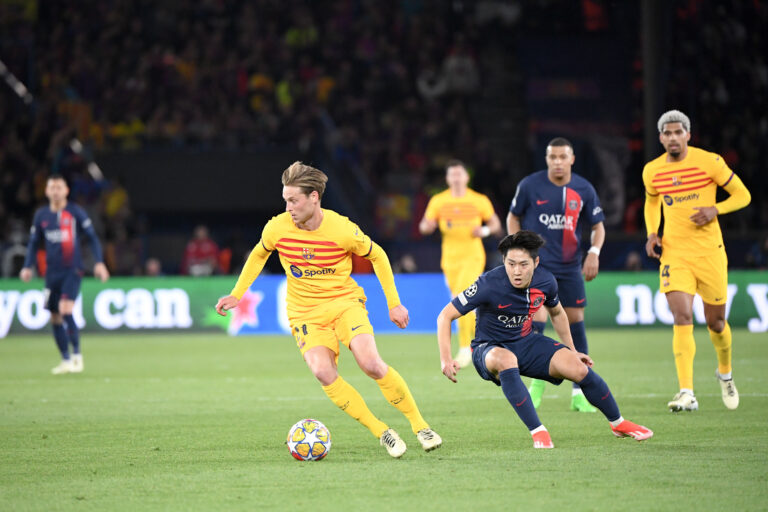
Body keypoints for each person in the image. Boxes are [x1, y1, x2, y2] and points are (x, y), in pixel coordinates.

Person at [215, 161, 442, 458]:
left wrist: (394, 302)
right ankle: (382, 432)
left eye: (293, 200)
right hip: (305, 313)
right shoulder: (277, 227)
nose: (288, 208)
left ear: (314, 198)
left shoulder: (342, 229)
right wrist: (237, 294)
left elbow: (379, 256)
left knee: (371, 363)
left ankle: (419, 425)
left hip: (344, 303)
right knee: (323, 372)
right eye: (285, 200)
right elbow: (259, 253)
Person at [436, 231, 652, 448]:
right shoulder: (488, 284)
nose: (516, 271)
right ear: (504, 261)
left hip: (526, 342)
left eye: (523, 264)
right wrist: (446, 359)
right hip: (489, 349)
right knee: (506, 359)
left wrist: (573, 349)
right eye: (511, 264)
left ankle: (618, 423)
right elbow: (445, 316)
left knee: (578, 369)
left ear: (536, 262)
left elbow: (557, 313)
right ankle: (538, 431)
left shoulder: (546, 281)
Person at [643, 110, 751, 412]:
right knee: (682, 318)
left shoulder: (709, 162)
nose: (673, 137)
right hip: (674, 254)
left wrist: (714, 210)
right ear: (661, 137)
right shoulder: (652, 170)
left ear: (688, 135)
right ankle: (686, 392)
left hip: (710, 252)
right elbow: (652, 201)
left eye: (679, 132)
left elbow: (743, 196)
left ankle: (725, 373)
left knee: (716, 323)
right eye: (668, 133)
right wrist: (653, 233)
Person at [506, 138, 605, 413]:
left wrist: (594, 252)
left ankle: (579, 392)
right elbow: (513, 216)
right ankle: (537, 383)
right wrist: (516, 245)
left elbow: (598, 226)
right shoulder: (530, 185)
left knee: (574, 321)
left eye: (563, 157)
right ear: (547, 159)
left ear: (572, 159)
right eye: (553, 157)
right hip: (538, 265)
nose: (558, 162)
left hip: (571, 266)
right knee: (536, 316)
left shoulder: (584, 188)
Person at [20, 174, 110, 374]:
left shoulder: (75, 212)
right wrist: (27, 266)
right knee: (54, 316)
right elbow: (34, 243)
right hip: (51, 273)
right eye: (52, 187)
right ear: (46, 191)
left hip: (73, 269)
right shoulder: (41, 215)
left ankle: (77, 356)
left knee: (66, 309)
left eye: (59, 187)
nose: (55, 191)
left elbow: (93, 238)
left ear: (66, 190)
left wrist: (99, 263)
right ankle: (66, 359)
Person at [419, 160, 502, 367]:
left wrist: (483, 231)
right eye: (452, 175)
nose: (456, 178)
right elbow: (424, 226)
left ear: (466, 177)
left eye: (459, 174)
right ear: (447, 179)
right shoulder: (438, 201)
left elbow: (495, 224)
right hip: (450, 259)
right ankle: (483, 341)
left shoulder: (479, 200)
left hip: (473, 256)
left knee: (461, 298)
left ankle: (467, 348)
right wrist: (427, 226)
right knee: (462, 302)